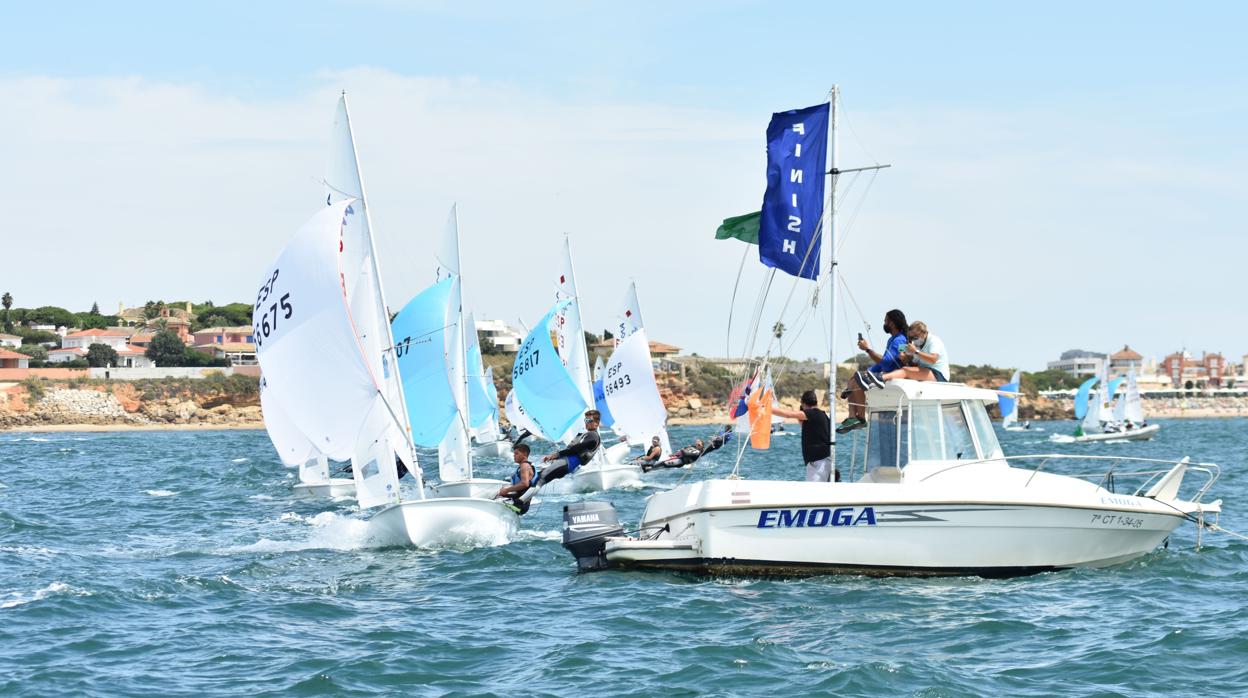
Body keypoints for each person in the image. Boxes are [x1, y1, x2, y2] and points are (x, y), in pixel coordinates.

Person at [837, 309, 909, 434]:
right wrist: (868, 371)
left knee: (858, 379)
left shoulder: (900, 340)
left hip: (891, 375)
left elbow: (887, 362)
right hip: (884, 372)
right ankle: (852, 417)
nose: (884, 323)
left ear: (891, 323)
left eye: (885, 321)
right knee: (854, 378)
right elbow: (882, 364)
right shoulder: (892, 340)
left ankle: (860, 418)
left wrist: (867, 349)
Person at [518, 410, 603, 501]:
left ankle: (520, 501)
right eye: (585, 420)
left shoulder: (593, 436)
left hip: (567, 463)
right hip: (566, 463)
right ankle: (520, 497)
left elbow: (575, 449)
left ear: (597, 423)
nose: (586, 423)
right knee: (539, 476)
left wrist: (556, 455)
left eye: (589, 421)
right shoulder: (588, 434)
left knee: (541, 478)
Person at [772, 389, 838, 482]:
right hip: (819, 460)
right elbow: (804, 426)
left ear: (803, 403)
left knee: (814, 493)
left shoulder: (812, 413)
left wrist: (768, 409)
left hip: (819, 462)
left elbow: (788, 414)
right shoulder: (820, 415)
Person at [874, 320, 949, 384]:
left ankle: (880, 378)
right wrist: (904, 357)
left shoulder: (934, 341)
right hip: (925, 370)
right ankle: (876, 379)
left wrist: (916, 351)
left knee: (906, 371)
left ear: (924, 333)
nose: (913, 340)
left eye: (915, 337)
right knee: (900, 371)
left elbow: (933, 359)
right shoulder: (916, 344)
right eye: (911, 338)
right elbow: (901, 349)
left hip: (939, 374)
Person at [494, 443, 535, 515]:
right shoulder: (525, 466)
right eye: (514, 453)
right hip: (519, 502)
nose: (514, 455)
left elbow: (525, 484)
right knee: (496, 495)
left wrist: (506, 490)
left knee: (493, 500)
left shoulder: (524, 466)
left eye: (517, 453)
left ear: (524, 454)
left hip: (519, 506)